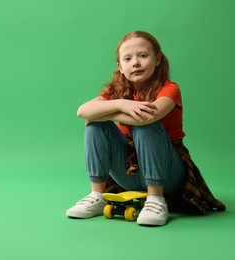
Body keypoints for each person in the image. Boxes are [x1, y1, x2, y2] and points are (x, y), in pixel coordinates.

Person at [66, 31, 225, 226]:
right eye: (128, 58)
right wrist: (122, 104)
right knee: (94, 124)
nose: (136, 62)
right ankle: (97, 195)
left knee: (145, 125)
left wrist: (108, 110)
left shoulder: (170, 89)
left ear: (157, 59)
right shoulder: (117, 92)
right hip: (127, 170)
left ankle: (156, 199)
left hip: (168, 171)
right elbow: (83, 111)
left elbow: (145, 118)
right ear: (120, 67)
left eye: (143, 55)